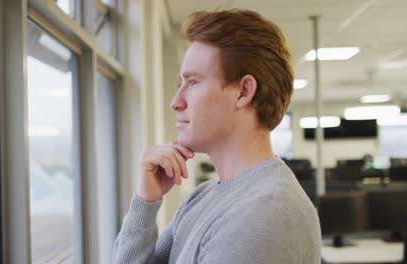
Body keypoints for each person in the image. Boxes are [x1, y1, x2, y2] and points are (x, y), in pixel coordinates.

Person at [113, 9, 321, 264]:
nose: (176, 102)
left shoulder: (264, 212)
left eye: (193, 82)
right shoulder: (206, 195)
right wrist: (145, 203)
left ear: (244, 91)